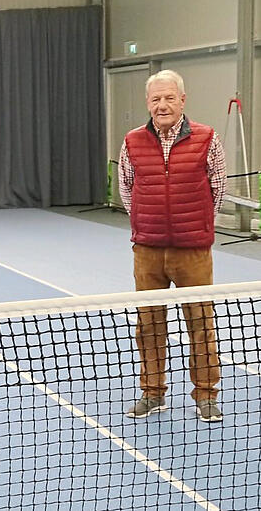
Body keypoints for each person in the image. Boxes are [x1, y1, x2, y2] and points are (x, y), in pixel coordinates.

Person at [118, 69, 226, 423]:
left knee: (201, 323)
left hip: (193, 250)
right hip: (147, 250)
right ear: (147, 103)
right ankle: (152, 392)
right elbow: (127, 188)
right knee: (148, 324)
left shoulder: (207, 138)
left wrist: (193, 225)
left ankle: (206, 394)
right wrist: (149, 223)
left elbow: (218, 190)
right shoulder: (132, 140)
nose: (162, 105)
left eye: (169, 98)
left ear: (182, 99)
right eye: (155, 99)